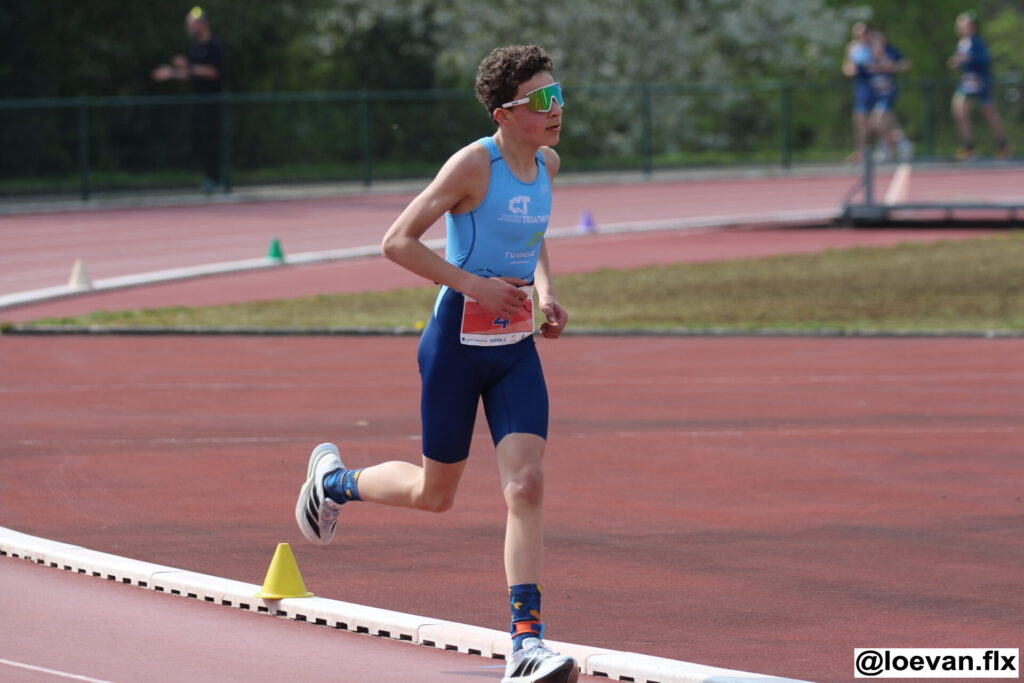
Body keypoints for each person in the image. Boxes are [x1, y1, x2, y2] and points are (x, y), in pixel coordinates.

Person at [294, 45, 577, 683]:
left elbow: (531, 234)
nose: (557, 108)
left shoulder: (547, 163)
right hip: (455, 343)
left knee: (526, 485)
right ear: (504, 114)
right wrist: (475, 286)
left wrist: (546, 291)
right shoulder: (473, 165)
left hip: (514, 347)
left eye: (558, 94)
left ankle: (526, 643)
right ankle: (334, 484)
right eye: (542, 99)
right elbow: (396, 241)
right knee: (435, 494)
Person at [151, 6, 225, 191]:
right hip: (198, 102)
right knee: (200, 141)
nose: (190, 28)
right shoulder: (195, 49)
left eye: (193, 24)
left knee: (213, 141)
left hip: (213, 102)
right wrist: (171, 72)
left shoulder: (215, 46)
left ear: (203, 24)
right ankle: (210, 178)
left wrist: (188, 66)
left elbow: (213, 72)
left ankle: (217, 179)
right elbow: (190, 73)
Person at [947, 11, 1010, 160]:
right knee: (959, 110)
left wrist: (970, 58)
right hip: (968, 83)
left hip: (981, 82)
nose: (964, 28)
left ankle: (1003, 145)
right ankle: (968, 147)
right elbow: (963, 62)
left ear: (972, 27)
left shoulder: (978, 42)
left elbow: (985, 60)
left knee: (989, 113)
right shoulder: (962, 43)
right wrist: (956, 62)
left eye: (967, 25)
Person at [868, 28, 913, 163]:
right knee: (890, 124)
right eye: (873, 40)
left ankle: (886, 147)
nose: (876, 42)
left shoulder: (891, 51)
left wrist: (892, 66)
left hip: (888, 92)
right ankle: (902, 145)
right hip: (877, 94)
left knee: (877, 121)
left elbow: (906, 64)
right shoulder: (868, 53)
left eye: (878, 39)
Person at [842, 22, 874, 163]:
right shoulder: (852, 48)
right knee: (859, 119)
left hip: (874, 85)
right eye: (858, 34)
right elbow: (846, 67)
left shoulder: (873, 46)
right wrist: (851, 70)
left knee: (875, 119)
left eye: (864, 33)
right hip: (860, 86)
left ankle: (885, 145)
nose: (861, 36)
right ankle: (862, 151)